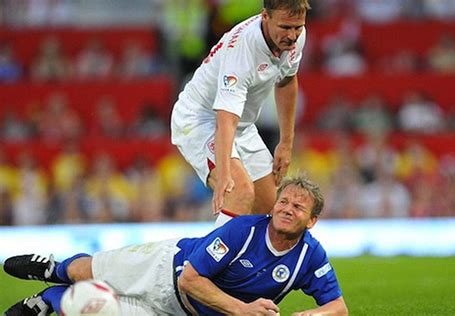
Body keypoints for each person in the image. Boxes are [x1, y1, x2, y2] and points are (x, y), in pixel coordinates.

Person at [4, 176, 348, 316]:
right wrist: (242, 310)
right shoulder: (242, 231)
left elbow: (338, 307)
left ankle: (49, 300)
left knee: (101, 309)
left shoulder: (309, 255)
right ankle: (52, 268)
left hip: (182, 311)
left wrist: (310, 315)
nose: (287, 208)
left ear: (312, 220)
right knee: (88, 270)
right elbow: (191, 279)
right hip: (165, 267)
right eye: (283, 201)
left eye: (298, 206)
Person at [170, 0, 309, 225]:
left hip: (241, 126)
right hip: (199, 119)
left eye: (298, 27)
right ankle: (203, 261)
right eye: (285, 27)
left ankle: (248, 261)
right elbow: (225, 119)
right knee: (239, 191)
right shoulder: (243, 49)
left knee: (271, 206)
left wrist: (286, 142)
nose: (292, 36)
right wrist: (224, 173)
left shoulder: (295, 37)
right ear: (265, 16)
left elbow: (287, 81)